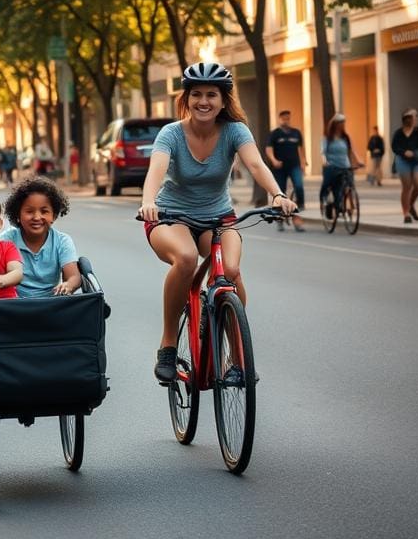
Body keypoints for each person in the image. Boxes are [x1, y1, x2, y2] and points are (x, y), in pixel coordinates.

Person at [139, 62, 296, 384]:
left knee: (231, 273)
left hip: (218, 216)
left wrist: (277, 194)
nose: (204, 101)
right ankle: (168, 346)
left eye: (212, 95)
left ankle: (236, 359)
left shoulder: (235, 130)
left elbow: (255, 163)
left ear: (224, 100)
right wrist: (149, 202)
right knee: (184, 259)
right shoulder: (171, 133)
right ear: (186, 98)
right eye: (196, 94)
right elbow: (157, 169)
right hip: (170, 215)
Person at [0, 177, 80, 297]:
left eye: (44, 211)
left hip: (51, 305)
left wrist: (68, 285)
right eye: (29, 211)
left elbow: (73, 276)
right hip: (14, 304)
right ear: (18, 214)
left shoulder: (62, 241)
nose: (36, 217)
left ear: (54, 215)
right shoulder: (6, 240)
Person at [265, 109, 306, 232]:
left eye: (288, 118)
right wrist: (274, 160)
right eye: (284, 118)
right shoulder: (275, 134)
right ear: (280, 119)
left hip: (294, 166)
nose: (286, 120)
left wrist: (303, 162)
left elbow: (301, 149)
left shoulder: (296, 133)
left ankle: (301, 206)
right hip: (279, 168)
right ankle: (280, 219)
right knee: (280, 193)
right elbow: (268, 149)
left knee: (299, 185)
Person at [319, 113, 364, 216]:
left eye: (343, 123)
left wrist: (358, 161)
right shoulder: (327, 137)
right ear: (335, 124)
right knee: (328, 184)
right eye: (340, 123)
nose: (342, 125)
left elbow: (351, 150)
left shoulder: (345, 137)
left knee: (349, 185)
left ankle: (347, 206)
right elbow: (323, 152)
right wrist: (325, 161)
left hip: (345, 166)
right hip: (332, 166)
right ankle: (325, 200)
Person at [390, 109, 418, 224]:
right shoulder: (399, 133)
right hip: (402, 161)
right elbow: (394, 147)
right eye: (415, 116)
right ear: (408, 119)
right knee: (406, 187)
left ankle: (410, 204)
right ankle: (406, 214)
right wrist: (404, 152)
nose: (417, 118)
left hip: (417, 161)